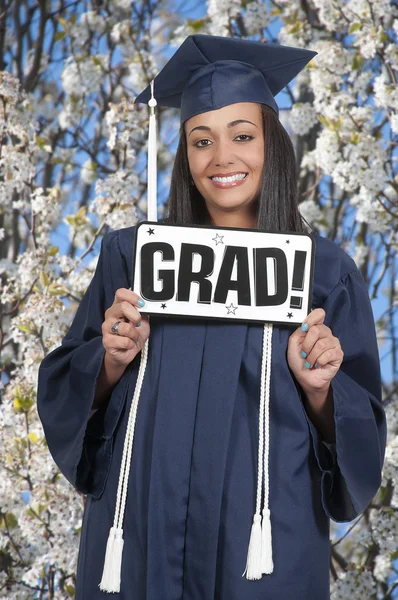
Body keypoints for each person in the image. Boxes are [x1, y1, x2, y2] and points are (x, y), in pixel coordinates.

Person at [37, 35, 387, 599]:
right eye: (202, 141)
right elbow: (64, 397)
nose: (222, 158)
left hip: (263, 558)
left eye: (242, 136)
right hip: (139, 549)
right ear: (185, 158)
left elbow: (361, 447)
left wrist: (322, 392)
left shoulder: (323, 273)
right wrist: (107, 361)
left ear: (272, 145)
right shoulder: (132, 260)